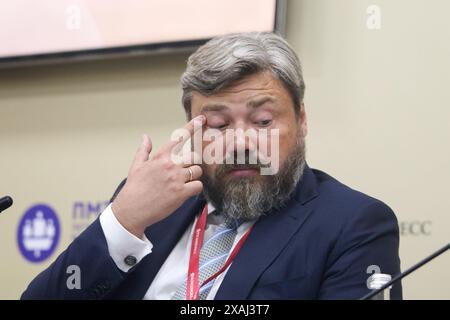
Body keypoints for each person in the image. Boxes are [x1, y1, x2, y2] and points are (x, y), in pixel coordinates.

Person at [21, 32, 402, 300]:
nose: (239, 143)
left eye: (263, 122)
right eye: (217, 125)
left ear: (301, 121)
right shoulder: (150, 206)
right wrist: (121, 221)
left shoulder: (353, 223)